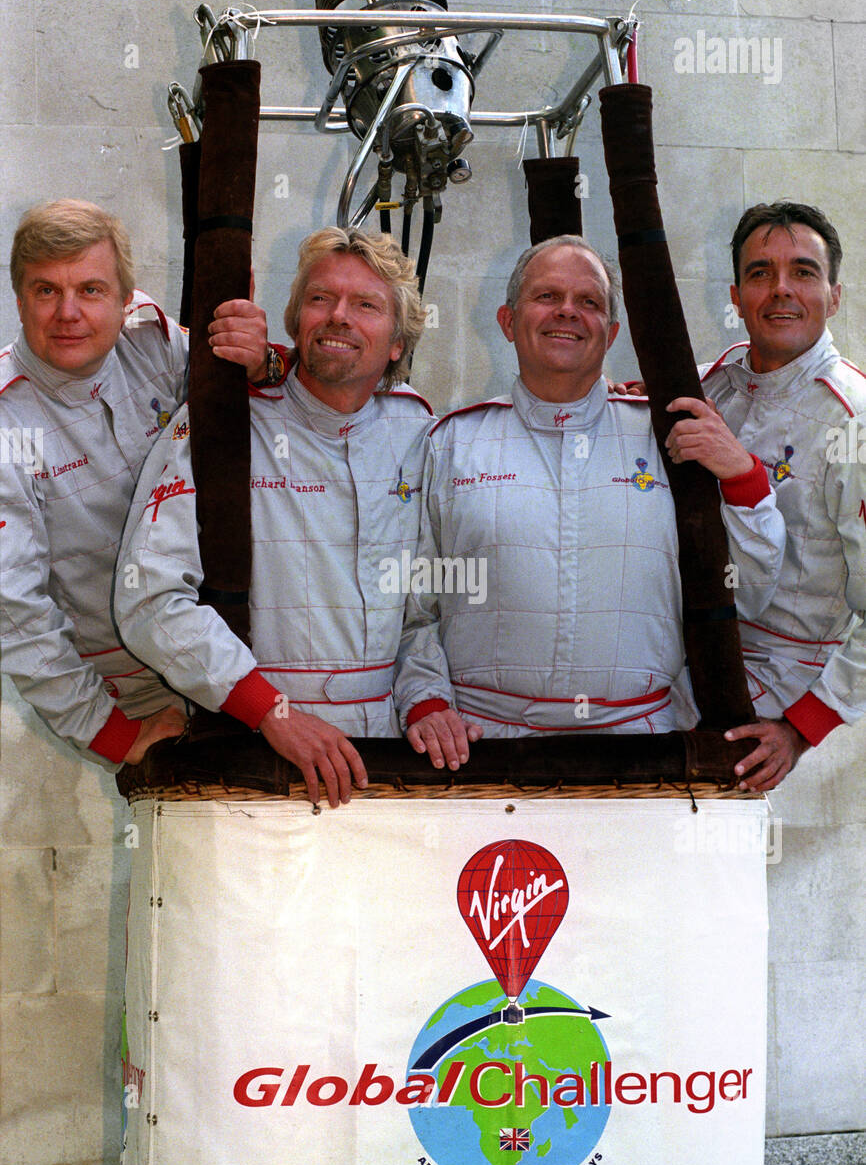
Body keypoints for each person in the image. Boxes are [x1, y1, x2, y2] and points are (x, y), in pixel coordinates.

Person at [394, 234, 786, 772]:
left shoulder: (668, 439)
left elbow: (750, 593)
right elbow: (411, 611)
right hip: (480, 749)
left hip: (641, 752)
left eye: (589, 302)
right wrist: (427, 701)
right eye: (547, 296)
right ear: (508, 322)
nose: (567, 313)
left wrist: (743, 477)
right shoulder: (452, 443)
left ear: (612, 333)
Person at [115, 226, 431, 809]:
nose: (339, 316)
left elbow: (426, 610)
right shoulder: (223, 425)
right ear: (293, 321)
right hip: (257, 754)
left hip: (391, 760)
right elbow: (148, 600)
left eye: (366, 305)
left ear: (396, 344)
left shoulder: (417, 432)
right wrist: (271, 712)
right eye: (320, 299)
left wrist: (427, 704)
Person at [0, 199, 269, 768]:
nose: (68, 313)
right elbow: (14, 613)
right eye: (46, 290)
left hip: (235, 643)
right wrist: (116, 735)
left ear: (125, 299)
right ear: (19, 299)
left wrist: (263, 363)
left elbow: (238, 412)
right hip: (134, 691)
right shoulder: (6, 422)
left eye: (91, 290)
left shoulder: (151, 338)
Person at [666, 201, 866, 792]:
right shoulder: (716, 383)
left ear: (833, 296)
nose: (781, 290)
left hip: (784, 711)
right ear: (735, 295)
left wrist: (803, 728)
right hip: (689, 666)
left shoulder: (853, 418)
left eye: (803, 272)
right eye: (761, 273)